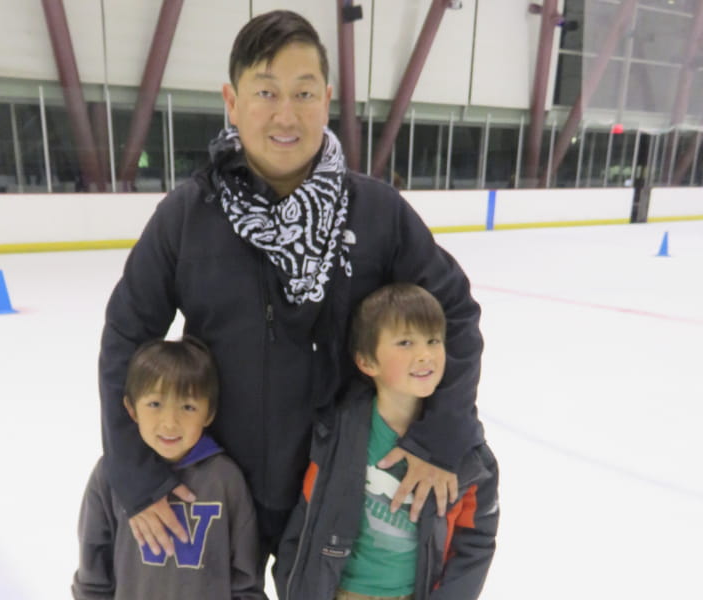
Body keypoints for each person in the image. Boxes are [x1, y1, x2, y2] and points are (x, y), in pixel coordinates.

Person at [98, 9, 486, 581]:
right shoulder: (187, 216)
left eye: (304, 93)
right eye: (266, 92)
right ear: (232, 101)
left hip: (343, 494)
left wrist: (441, 434)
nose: (286, 114)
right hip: (218, 487)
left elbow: (455, 313)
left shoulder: (376, 213)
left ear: (326, 98)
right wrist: (138, 476)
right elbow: (126, 341)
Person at [276, 284, 499, 600]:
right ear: (367, 362)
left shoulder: (468, 454)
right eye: (406, 342)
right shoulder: (338, 434)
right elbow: (308, 515)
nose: (424, 354)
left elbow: (475, 542)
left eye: (433, 340)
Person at [74, 337, 264, 599]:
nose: (170, 423)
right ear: (131, 408)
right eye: (155, 404)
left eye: (188, 407)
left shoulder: (226, 479)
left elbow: (246, 582)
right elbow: (93, 575)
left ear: (209, 413)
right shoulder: (111, 474)